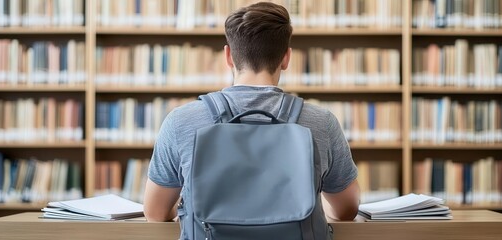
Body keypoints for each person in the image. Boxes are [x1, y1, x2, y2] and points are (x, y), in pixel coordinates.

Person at [144, 1, 360, 226]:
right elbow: (346, 210)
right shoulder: (321, 122)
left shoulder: (181, 121)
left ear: (228, 56)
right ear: (286, 58)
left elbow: (155, 212)